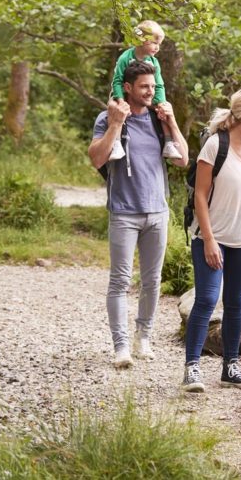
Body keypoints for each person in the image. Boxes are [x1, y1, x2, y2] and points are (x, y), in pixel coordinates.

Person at [88, 61, 189, 368]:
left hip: (157, 211)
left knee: (152, 280)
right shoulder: (107, 118)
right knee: (119, 281)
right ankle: (120, 347)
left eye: (153, 86)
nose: (150, 91)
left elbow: (184, 160)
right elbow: (96, 159)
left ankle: (142, 336)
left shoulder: (159, 121)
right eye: (144, 86)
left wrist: (171, 123)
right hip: (123, 212)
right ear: (128, 88)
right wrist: (117, 124)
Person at [182, 84, 241, 392]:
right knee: (207, 299)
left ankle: (230, 368)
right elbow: (200, 194)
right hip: (211, 236)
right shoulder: (215, 145)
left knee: (235, 302)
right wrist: (208, 240)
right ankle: (192, 368)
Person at [109, 20, 182, 162]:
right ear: (142, 40)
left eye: (159, 44)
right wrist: (121, 101)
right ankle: (116, 143)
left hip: (147, 95)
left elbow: (159, 85)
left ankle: (168, 142)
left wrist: (161, 102)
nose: (157, 48)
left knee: (165, 110)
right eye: (154, 43)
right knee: (113, 107)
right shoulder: (126, 57)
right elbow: (117, 81)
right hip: (124, 94)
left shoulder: (154, 62)